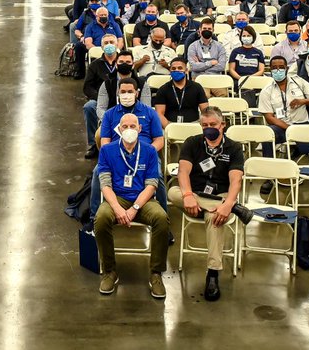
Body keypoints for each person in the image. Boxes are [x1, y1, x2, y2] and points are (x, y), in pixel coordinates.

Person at [169, 107, 251, 301]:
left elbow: (236, 181)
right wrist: (187, 195)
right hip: (195, 195)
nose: (208, 128)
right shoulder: (192, 143)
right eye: (204, 125)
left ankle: (212, 274)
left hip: (222, 194)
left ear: (223, 125)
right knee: (172, 192)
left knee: (214, 219)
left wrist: (228, 202)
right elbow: (182, 172)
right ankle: (233, 208)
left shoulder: (234, 147)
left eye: (212, 125)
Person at [93, 113, 169, 298]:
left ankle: (156, 273)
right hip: (116, 198)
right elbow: (105, 185)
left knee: (161, 218)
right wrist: (119, 209)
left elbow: (152, 185)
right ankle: (110, 270)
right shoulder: (107, 151)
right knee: (101, 219)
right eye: (125, 127)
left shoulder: (149, 151)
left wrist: (134, 208)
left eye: (133, 126)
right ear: (119, 130)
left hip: (143, 200)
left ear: (140, 129)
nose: (129, 130)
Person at [258, 56, 309, 167]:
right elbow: (269, 118)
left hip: (304, 124)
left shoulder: (298, 81)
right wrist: (289, 128)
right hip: (283, 127)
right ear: (270, 70)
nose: (278, 70)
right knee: (267, 134)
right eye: (274, 68)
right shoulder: (266, 91)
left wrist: (303, 101)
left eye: (281, 67)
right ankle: (270, 172)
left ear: (286, 68)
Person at [155, 58, 209, 125]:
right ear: (170, 70)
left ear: (186, 70)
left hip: (194, 124)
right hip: (170, 124)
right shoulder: (163, 89)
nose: (176, 70)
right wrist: (169, 128)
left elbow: (205, 111)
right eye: (173, 69)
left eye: (180, 68)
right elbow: (159, 113)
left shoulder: (197, 87)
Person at [187, 18, 227, 89]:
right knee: (205, 96)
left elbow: (221, 66)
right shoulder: (193, 46)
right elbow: (194, 67)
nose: (207, 30)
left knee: (223, 96)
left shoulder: (220, 46)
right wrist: (211, 63)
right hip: (199, 79)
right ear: (200, 29)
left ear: (213, 30)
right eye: (204, 28)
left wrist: (201, 66)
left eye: (209, 29)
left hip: (216, 79)